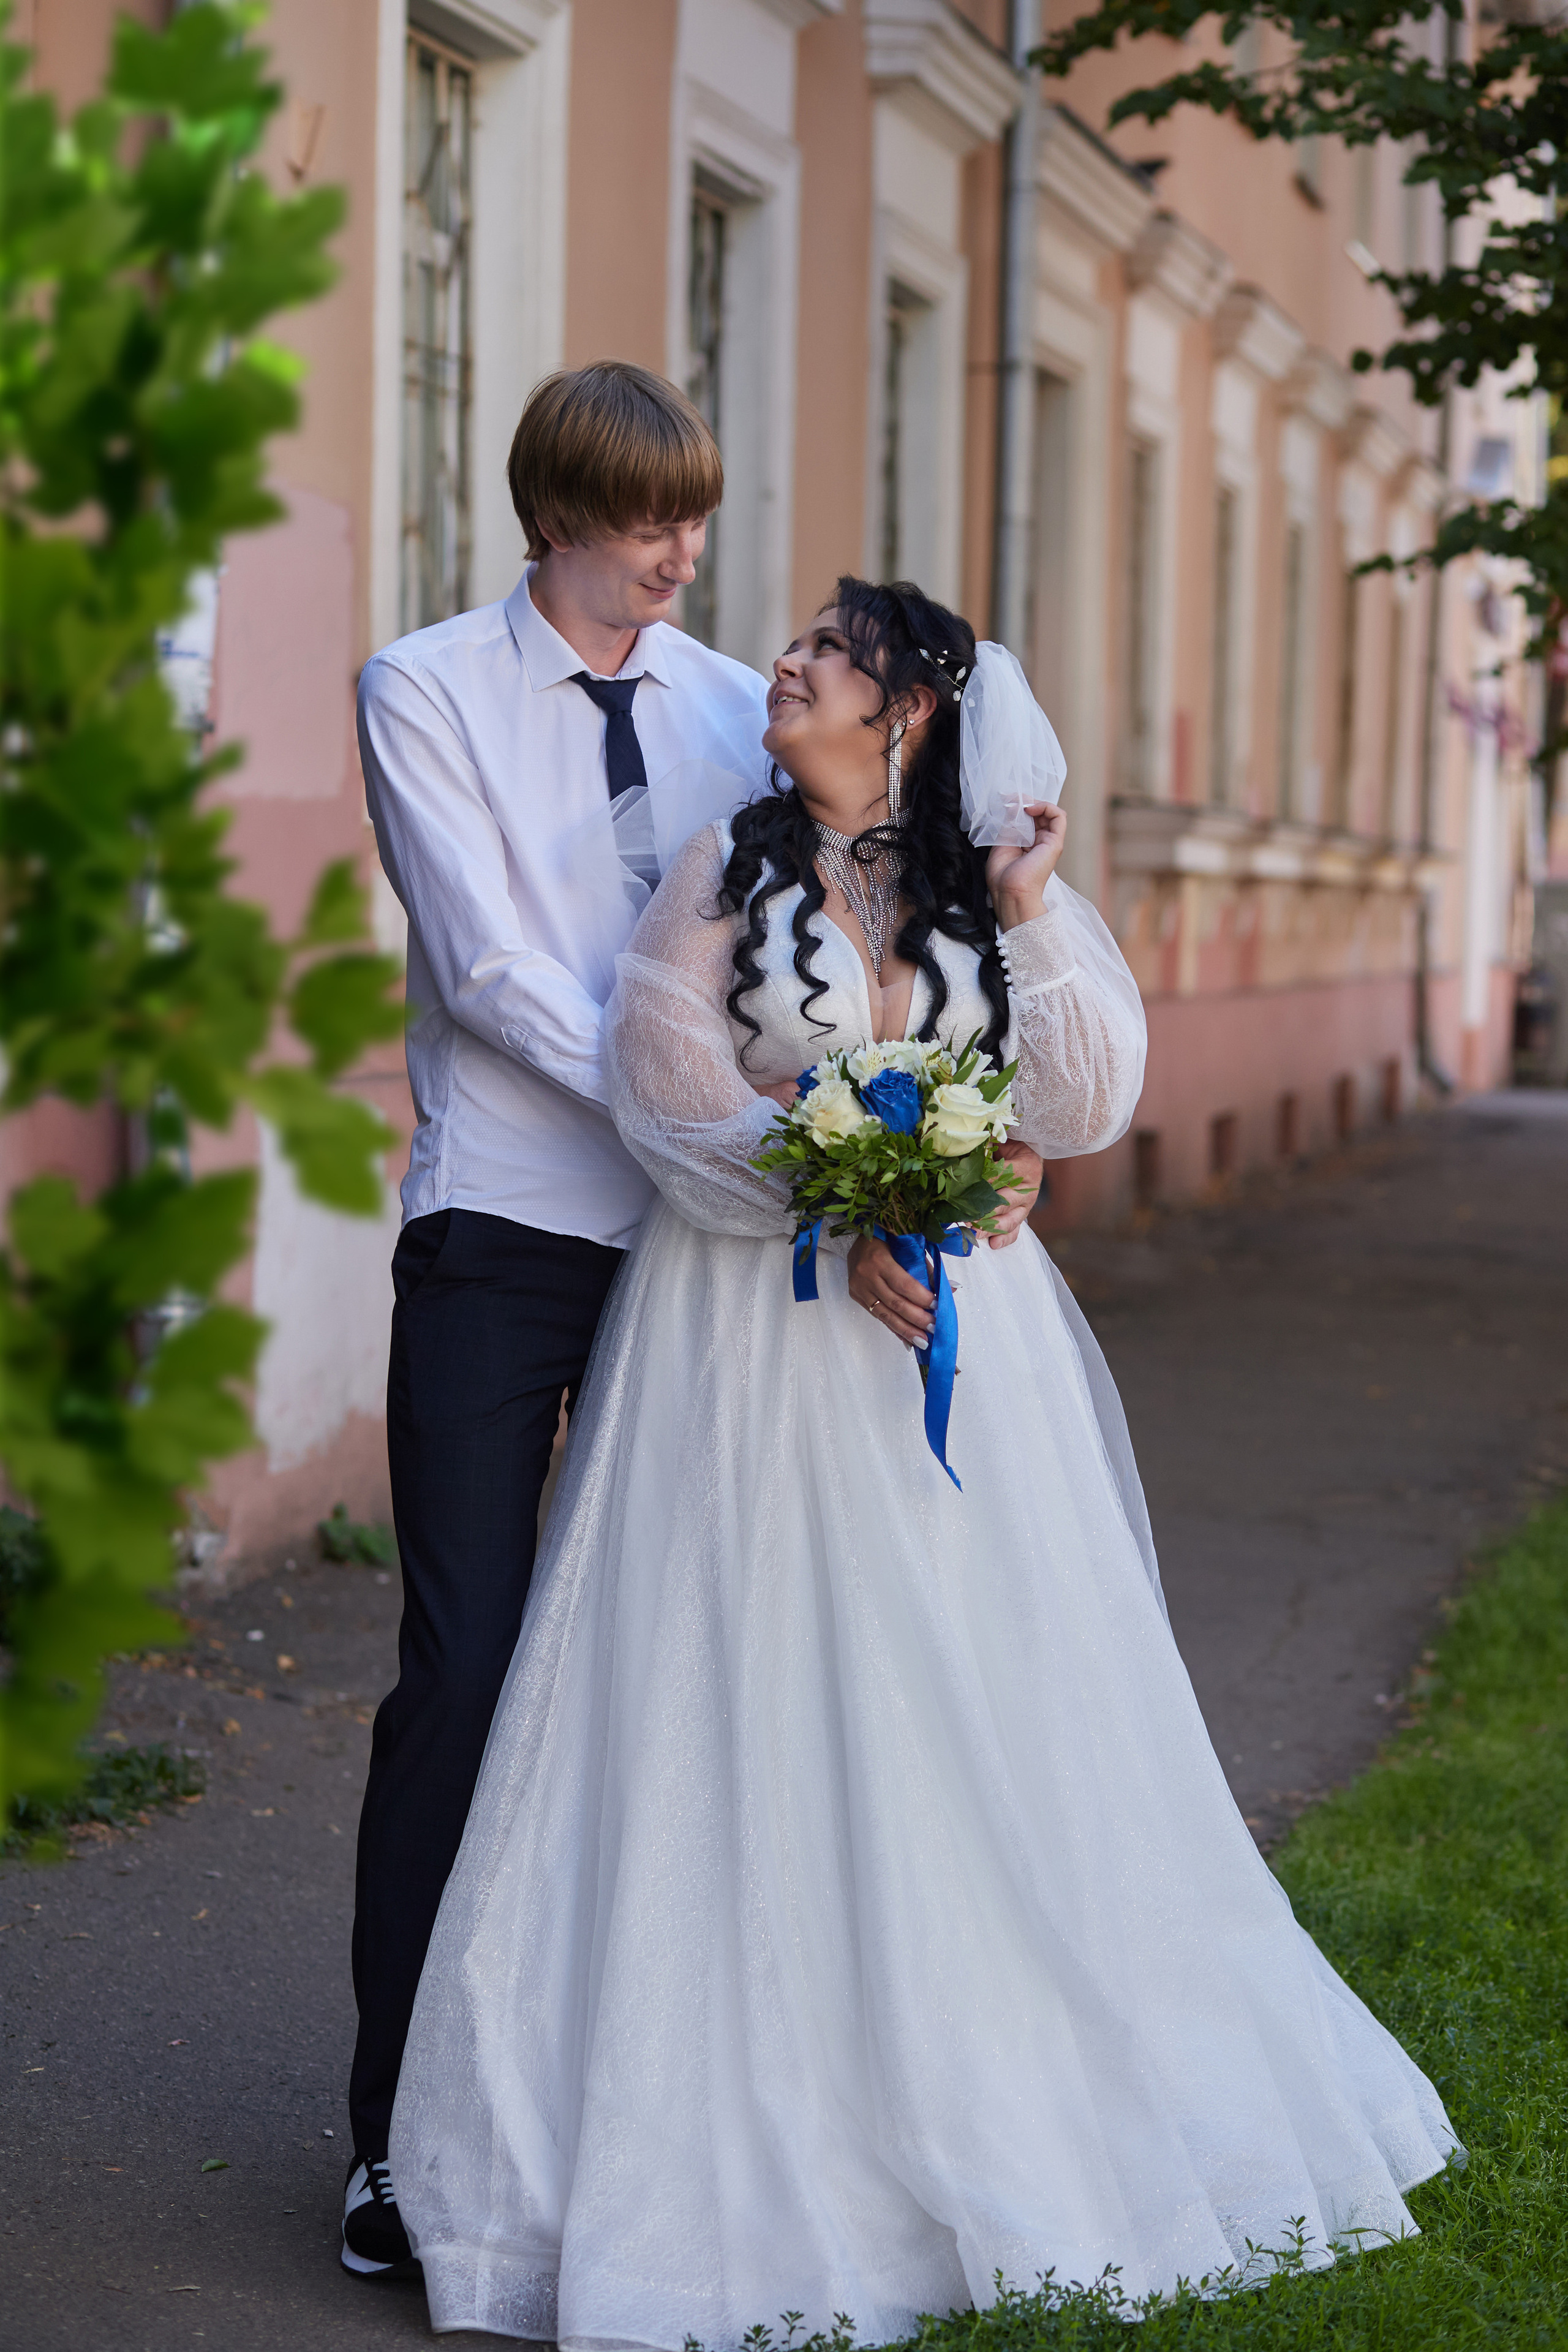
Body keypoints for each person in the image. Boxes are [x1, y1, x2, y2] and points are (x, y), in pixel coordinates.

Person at [390, 577, 1459, 2343]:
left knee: (980, 1692)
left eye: (829, 652)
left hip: (965, 1347)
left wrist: (1024, 928)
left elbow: (1088, 1097)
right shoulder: (722, 871)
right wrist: (842, 1201)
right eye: (799, 643)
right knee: (737, 1696)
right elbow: (664, 1089)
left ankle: (997, 2080)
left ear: (905, 715)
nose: (787, 661)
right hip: (744, 1347)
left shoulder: (989, 883)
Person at [345, 368, 1006, 2275]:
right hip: (506, 1227)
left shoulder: (736, 701)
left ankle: (676, 2116)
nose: (684, 556)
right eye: (651, 524)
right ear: (556, 514)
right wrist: (727, 1122)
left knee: (695, 1682)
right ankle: (397, 2139)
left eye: (696, 521)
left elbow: (864, 911)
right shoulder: (424, 689)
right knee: (468, 1671)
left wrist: (875, 1134)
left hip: (722, 1265)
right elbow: (490, 971)